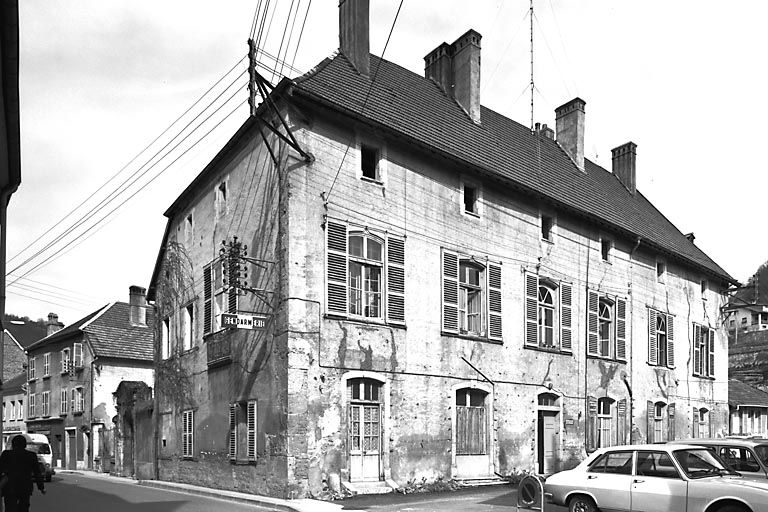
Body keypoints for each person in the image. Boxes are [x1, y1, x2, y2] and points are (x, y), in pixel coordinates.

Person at [0, 435, 46, 512]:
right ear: (24, 444)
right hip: (25, 488)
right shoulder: (31, 455)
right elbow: (37, 472)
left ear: (13, 444)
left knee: (10, 508)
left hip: (10, 487)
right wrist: (41, 487)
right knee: (24, 508)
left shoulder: (6, 454)